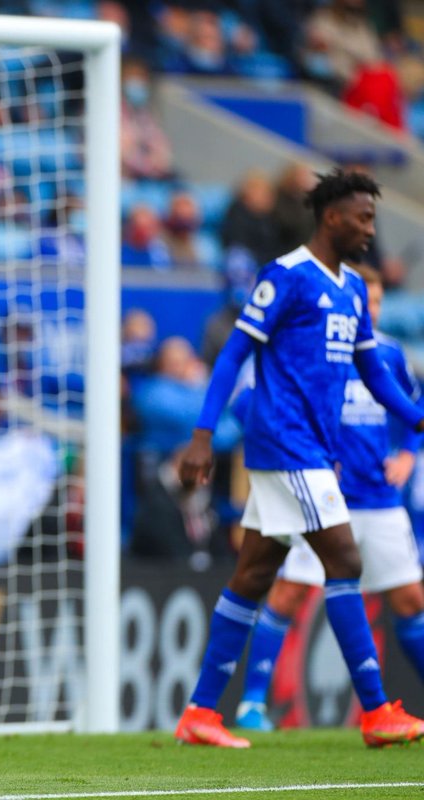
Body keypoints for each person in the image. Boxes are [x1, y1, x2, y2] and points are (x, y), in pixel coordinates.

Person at [175, 168, 424, 749]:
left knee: (254, 573)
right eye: (363, 217)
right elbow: (234, 354)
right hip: (288, 444)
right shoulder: (285, 276)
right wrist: (204, 434)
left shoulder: (354, 289)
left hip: (310, 449)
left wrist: (417, 419)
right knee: (344, 559)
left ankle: (200, 713)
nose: (370, 229)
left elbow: (375, 375)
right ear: (332, 216)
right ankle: (377, 710)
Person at [233, 265, 424, 732]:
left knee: (410, 600)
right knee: (290, 591)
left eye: (377, 304)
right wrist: (303, 453)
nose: (370, 311)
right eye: (365, 303)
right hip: (320, 493)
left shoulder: (390, 355)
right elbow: (247, 403)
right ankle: (253, 704)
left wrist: (407, 455)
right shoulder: (310, 354)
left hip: (379, 500)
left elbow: (412, 413)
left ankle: (386, 708)